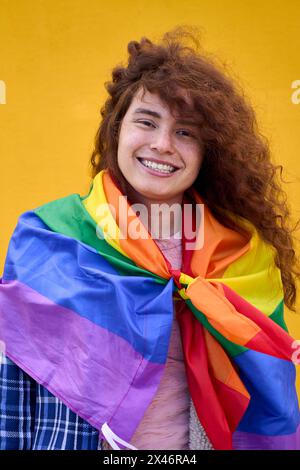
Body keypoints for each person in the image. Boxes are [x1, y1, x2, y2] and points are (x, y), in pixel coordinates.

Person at [0, 26, 300, 451]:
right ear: (117, 129)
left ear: (207, 151)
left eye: (186, 132)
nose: (162, 145)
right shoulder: (51, 236)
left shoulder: (242, 255)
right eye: (147, 121)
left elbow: (272, 392)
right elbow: (13, 380)